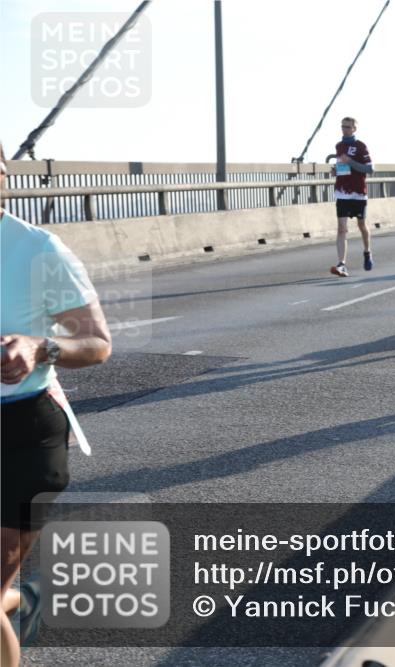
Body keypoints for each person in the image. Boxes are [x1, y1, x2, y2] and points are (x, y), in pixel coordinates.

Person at [1, 142, 113, 666]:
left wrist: (39, 347)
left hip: (23, 432)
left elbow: (97, 343)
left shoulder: (38, 250)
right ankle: (25, 598)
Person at [326, 116, 375, 277]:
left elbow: (370, 169)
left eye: (347, 127)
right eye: (342, 126)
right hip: (342, 192)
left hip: (358, 193)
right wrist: (336, 171)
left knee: (362, 225)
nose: (344, 129)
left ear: (354, 129)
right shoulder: (339, 146)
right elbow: (343, 166)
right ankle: (342, 264)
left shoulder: (360, 146)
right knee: (341, 228)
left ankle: (367, 252)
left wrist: (351, 162)